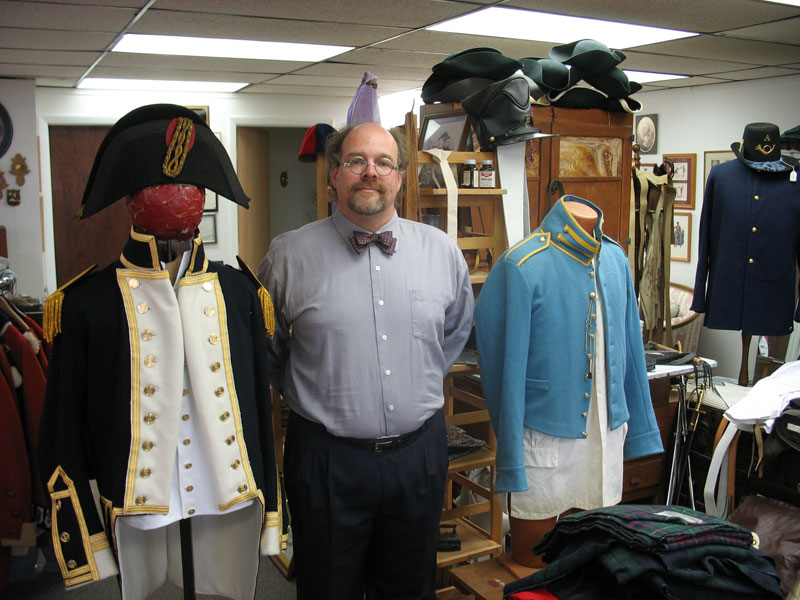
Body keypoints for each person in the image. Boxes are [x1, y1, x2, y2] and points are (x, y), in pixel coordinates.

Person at [38, 104, 283, 600]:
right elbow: (63, 430)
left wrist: (274, 512)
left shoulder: (241, 294)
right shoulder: (83, 305)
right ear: (131, 201)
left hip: (225, 496)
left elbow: (260, 412)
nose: (178, 198)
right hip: (137, 502)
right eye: (160, 188)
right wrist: (83, 534)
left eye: (191, 189)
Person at [258, 122, 474, 599]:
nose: (370, 172)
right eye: (356, 161)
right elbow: (268, 350)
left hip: (418, 458)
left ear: (400, 177)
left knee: (410, 588)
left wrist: (414, 383)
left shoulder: (440, 252)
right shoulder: (288, 256)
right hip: (327, 460)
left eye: (383, 163)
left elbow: (454, 331)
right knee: (326, 588)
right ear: (335, 174)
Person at [474, 195, 663, 568]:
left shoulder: (616, 260)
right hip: (543, 439)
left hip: (606, 435)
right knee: (533, 567)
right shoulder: (523, 263)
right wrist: (510, 456)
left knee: (589, 565)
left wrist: (640, 430)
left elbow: (631, 353)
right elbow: (502, 374)